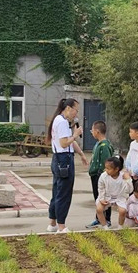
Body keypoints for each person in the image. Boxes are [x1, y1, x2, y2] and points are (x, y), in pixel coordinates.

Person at [46, 98, 88, 234]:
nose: (76, 113)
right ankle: (61, 226)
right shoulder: (62, 122)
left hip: (58, 159)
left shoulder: (59, 120)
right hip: (63, 160)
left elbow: (68, 141)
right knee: (64, 193)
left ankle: (52, 223)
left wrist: (81, 154)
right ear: (68, 108)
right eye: (76, 110)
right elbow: (65, 143)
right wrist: (75, 134)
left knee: (57, 191)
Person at [86, 120, 114, 228]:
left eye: (92, 130)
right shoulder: (98, 144)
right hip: (94, 175)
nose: (91, 132)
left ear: (97, 131)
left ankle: (106, 220)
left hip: (100, 176)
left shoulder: (104, 145)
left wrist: (101, 174)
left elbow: (106, 163)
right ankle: (98, 218)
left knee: (104, 197)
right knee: (97, 198)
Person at [96, 156, 132, 229]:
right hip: (107, 196)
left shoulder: (123, 176)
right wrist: (102, 198)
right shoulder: (104, 176)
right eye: (105, 168)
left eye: (108, 169)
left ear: (116, 169)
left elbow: (129, 190)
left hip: (119, 197)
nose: (106, 170)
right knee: (99, 209)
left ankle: (120, 227)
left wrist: (128, 180)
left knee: (122, 211)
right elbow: (101, 188)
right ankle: (105, 226)